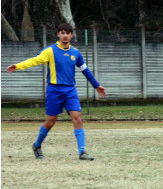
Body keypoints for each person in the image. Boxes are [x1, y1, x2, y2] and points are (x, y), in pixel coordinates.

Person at [6, 22, 106, 160]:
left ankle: (82, 152)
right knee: (51, 121)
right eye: (62, 33)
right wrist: (17, 66)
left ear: (72, 35)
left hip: (70, 90)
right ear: (58, 34)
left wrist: (96, 85)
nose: (65, 36)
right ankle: (37, 145)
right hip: (54, 90)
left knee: (77, 118)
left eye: (68, 33)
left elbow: (85, 70)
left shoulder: (75, 53)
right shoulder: (50, 51)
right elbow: (34, 60)